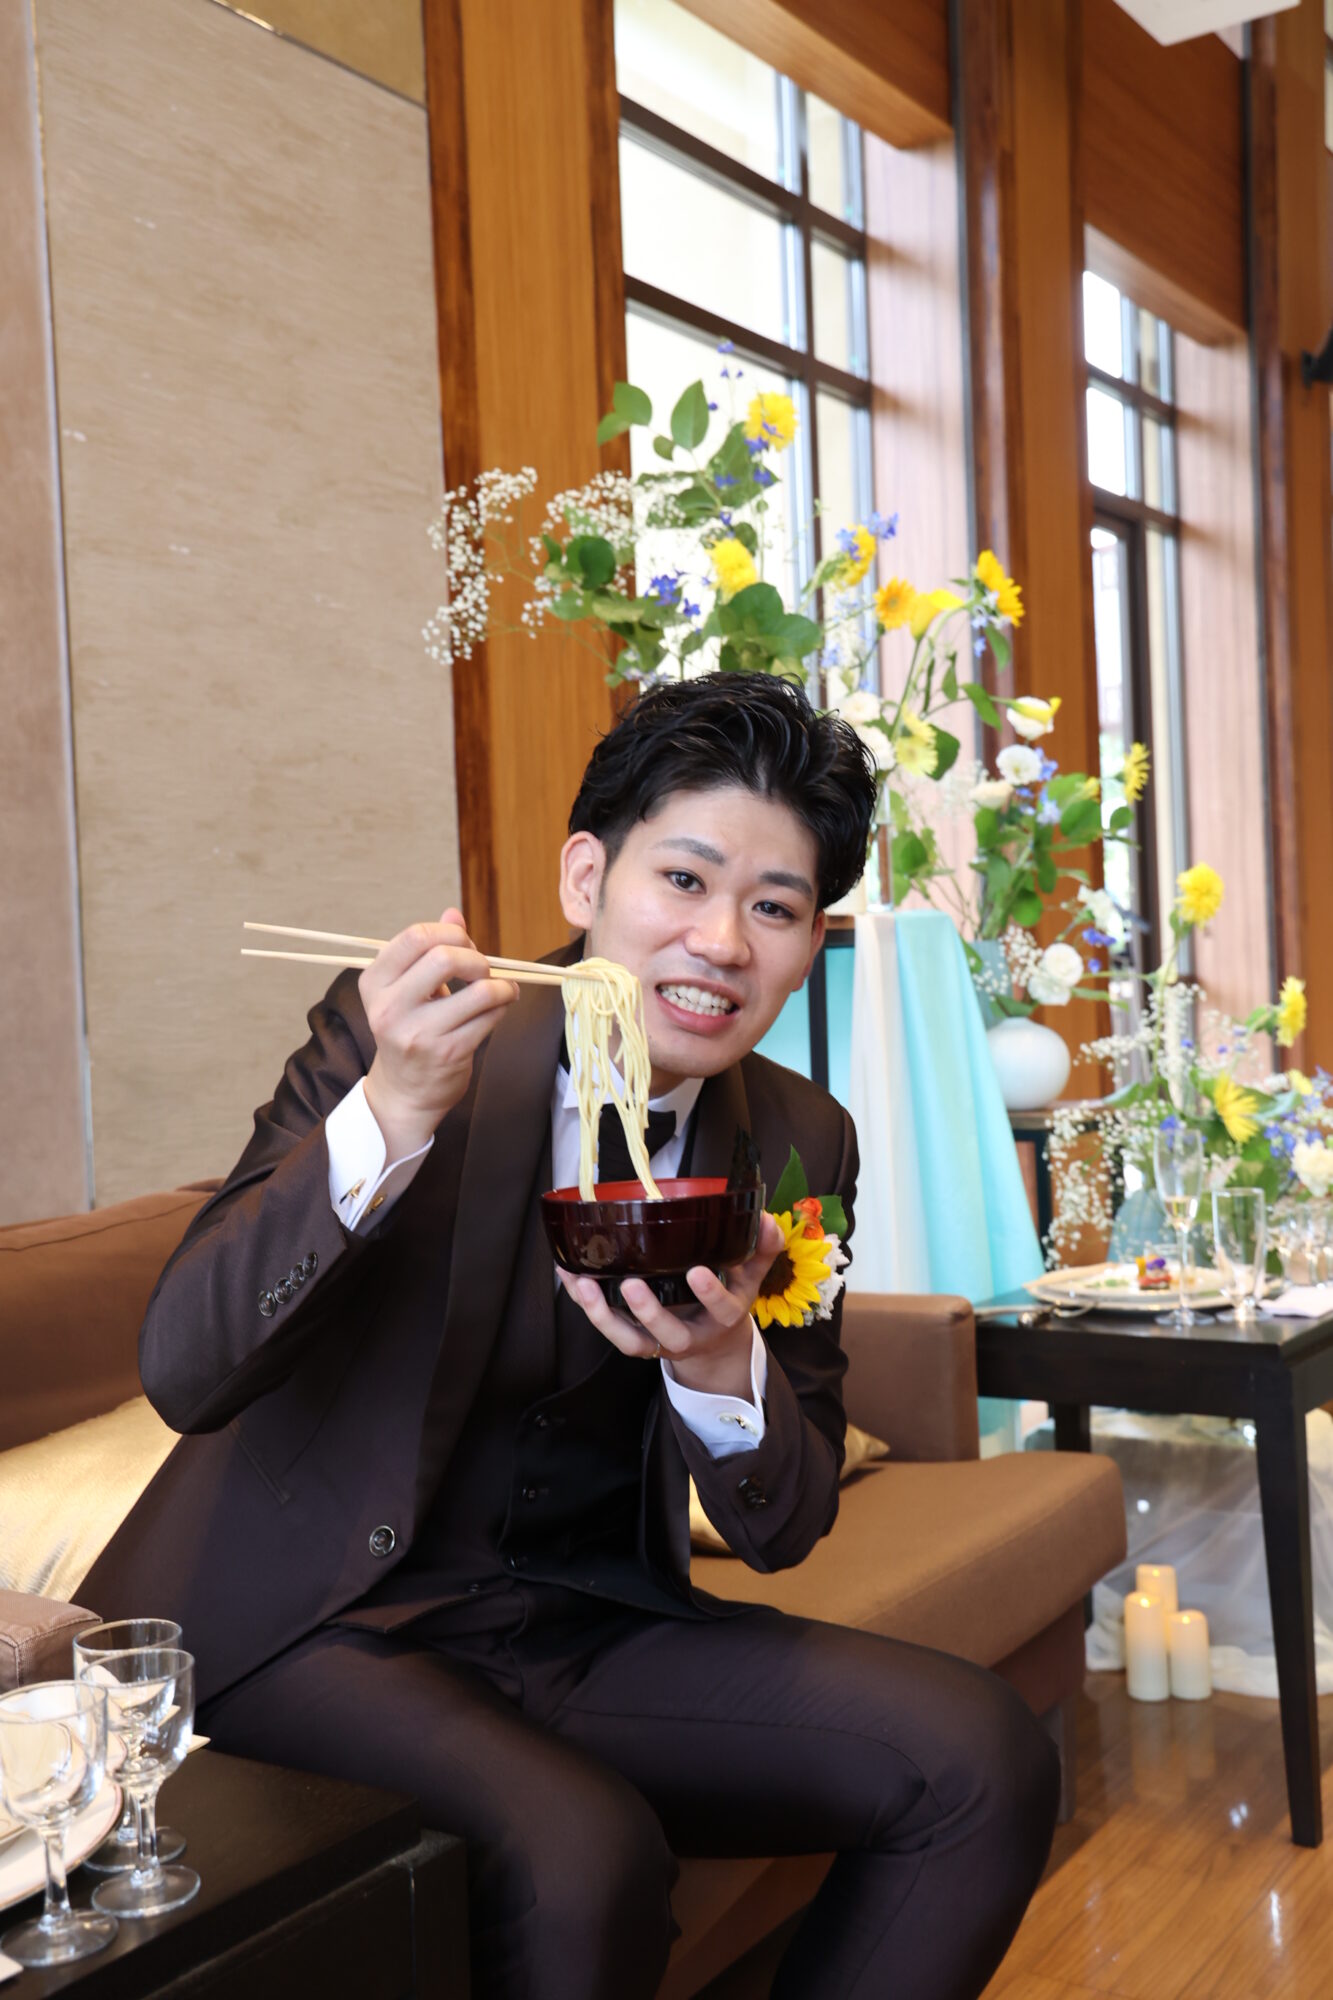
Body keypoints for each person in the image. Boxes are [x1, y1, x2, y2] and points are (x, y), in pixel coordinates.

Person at [83, 672, 1058, 1999]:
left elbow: (783, 1525)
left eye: (773, 908)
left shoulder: (797, 1138)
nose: (721, 942)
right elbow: (185, 1367)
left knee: (982, 1759)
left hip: (586, 1625)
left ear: (810, 941)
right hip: (317, 1626)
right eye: (684, 880)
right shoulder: (408, 1041)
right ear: (586, 877)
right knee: (583, 1856)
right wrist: (394, 1112)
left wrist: (718, 1366)